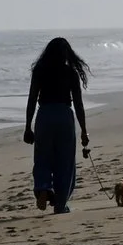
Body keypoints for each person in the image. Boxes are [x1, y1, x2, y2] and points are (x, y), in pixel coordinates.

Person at [24, 36, 91, 214]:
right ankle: (60, 205)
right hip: (64, 116)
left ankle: (44, 186)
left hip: (44, 115)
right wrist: (84, 130)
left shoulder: (39, 71)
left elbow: (31, 99)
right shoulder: (70, 73)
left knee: (42, 157)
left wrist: (27, 126)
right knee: (65, 161)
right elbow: (78, 103)